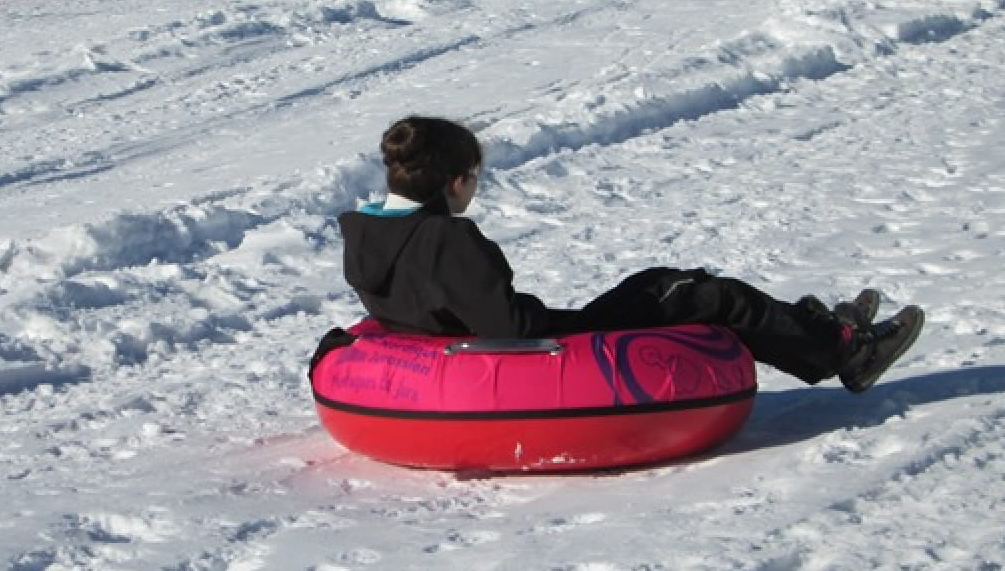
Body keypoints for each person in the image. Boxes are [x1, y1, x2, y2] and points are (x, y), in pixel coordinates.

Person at [335, 116, 924, 394]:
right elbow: (507, 329)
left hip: (445, 353)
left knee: (655, 283)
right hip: (551, 352)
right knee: (699, 292)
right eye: (475, 180)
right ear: (456, 181)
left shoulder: (367, 234)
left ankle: (820, 325)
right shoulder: (447, 239)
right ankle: (843, 353)